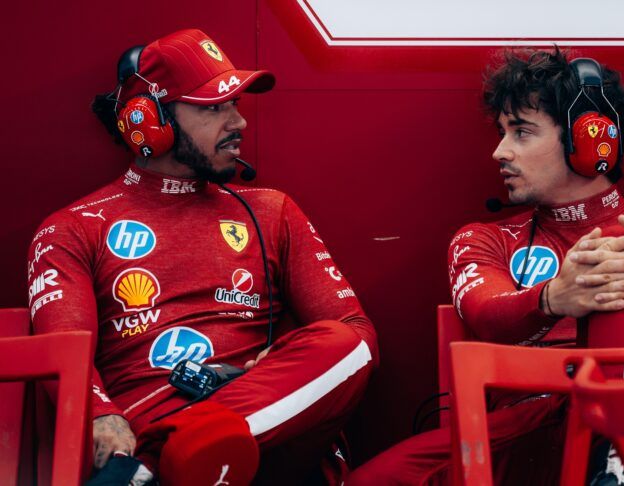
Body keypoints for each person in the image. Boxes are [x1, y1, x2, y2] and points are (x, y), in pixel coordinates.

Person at [347, 49, 624, 485]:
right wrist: (553, 299)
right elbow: (486, 315)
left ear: (587, 141)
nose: (499, 152)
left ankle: (614, 464)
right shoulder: (483, 239)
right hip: (523, 435)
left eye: (522, 132)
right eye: (502, 132)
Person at [27, 28, 377, 486]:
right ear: (149, 121)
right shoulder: (71, 228)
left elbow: (356, 334)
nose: (239, 122)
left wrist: (278, 363)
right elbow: (62, 355)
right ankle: (177, 459)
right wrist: (100, 414)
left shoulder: (272, 211)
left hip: (260, 435)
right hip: (146, 423)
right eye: (212, 108)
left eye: (234, 104)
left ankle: (164, 464)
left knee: (346, 346)